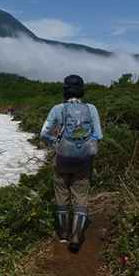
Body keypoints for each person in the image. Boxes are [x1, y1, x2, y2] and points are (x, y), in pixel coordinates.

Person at [40, 74, 103, 251]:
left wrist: (56, 141)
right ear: (82, 90)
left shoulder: (57, 109)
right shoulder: (91, 109)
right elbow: (99, 135)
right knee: (81, 196)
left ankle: (63, 233)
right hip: (84, 161)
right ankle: (76, 235)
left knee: (61, 193)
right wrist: (83, 143)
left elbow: (43, 133)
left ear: (65, 90)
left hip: (62, 158)